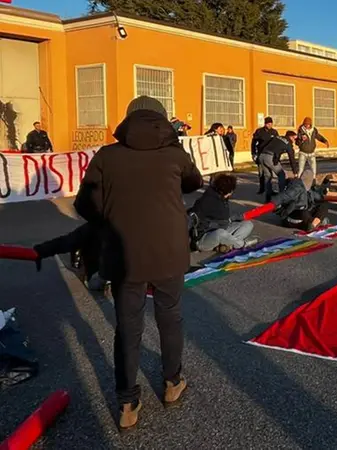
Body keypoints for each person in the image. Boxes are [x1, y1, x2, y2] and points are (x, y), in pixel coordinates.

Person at [73, 95, 204, 430]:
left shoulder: (107, 155)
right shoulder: (175, 153)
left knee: (127, 327)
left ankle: (128, 402)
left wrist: (110, 218)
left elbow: (84, 204)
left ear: (127, 120)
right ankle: (172, 383)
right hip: (168, 250)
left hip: (123, 252)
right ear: (161, 120)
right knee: (170, 318)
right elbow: (194, 183)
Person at [189, 173, 256, 253]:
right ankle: (242, 244)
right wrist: (239, 217)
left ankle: (227, 245)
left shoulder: (217, 196)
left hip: (217, 229)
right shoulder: (211, 201)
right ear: (229, 191)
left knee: (248, 224)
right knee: (221, 233)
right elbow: (226, 220)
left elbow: (225, 222)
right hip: (203, 239)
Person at [255, 131, 298, 202]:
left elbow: (265, 143)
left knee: (267, 176)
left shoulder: (277, 137)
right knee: (281, 175)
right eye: (294, 138)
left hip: (262, 156)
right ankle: (281, 197)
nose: (294, 140)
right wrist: (295, 172)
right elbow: (291, 158)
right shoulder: (288, 143)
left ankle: (267, 198)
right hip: (269, 157)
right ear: (290, 136)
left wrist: (258, 154)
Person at [251, 117, 280, 194]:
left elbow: (277, 143)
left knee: (269, 174)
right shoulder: (259, 131)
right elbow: (253, 143)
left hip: (270, 155)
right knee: (261, 173)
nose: (270, 125)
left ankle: (269, 189)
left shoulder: (274, 132)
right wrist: (253, 153)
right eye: (268, 124)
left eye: (271, 123)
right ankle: (262, 188)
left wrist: (277, 155)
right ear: (265, 124)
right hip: (261, 154)